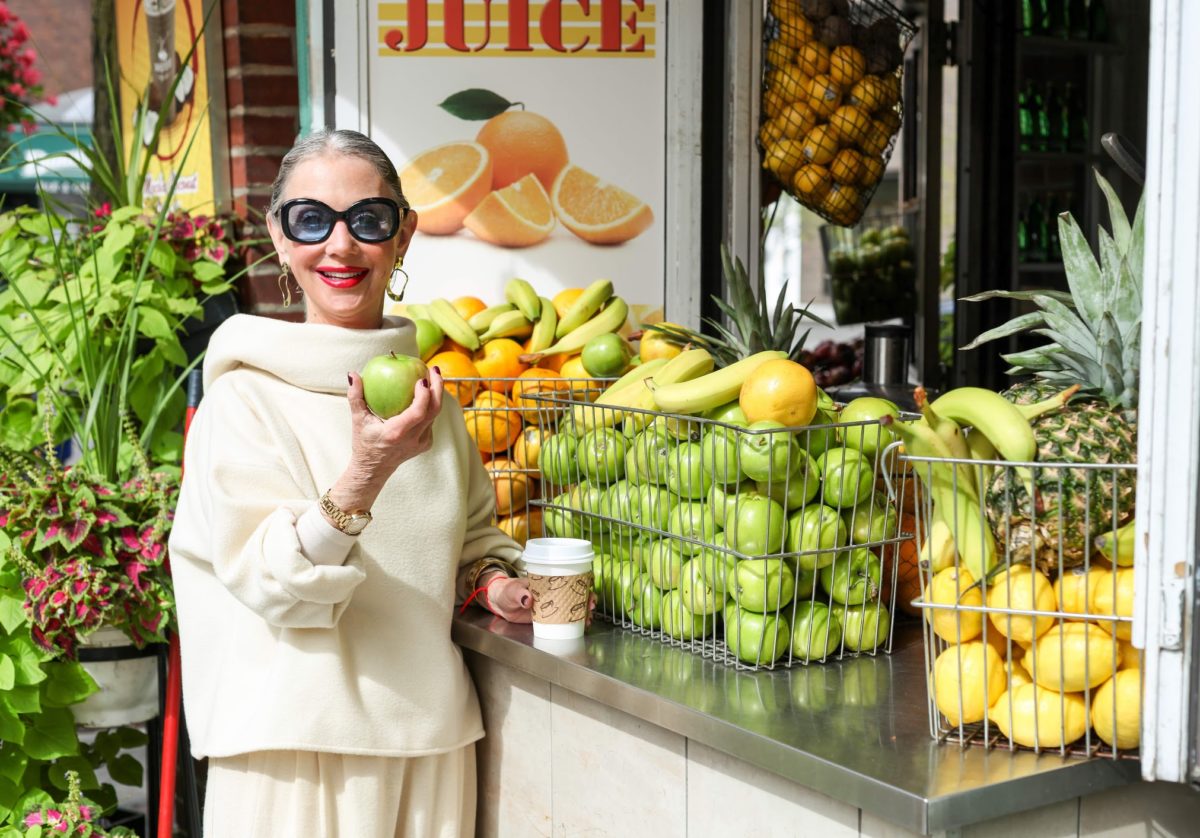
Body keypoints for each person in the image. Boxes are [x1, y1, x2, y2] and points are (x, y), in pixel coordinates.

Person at [168, 128, 536, 837]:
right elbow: (273, 585)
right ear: (280, 236)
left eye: (367, 220)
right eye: (312, 219)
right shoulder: (243, 401)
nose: (340, 246)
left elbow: (471, 541)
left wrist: (497, 583)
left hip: (431, 745)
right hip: (295, 758)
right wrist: (365, 472)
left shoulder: (434, 402)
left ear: (403, 236)